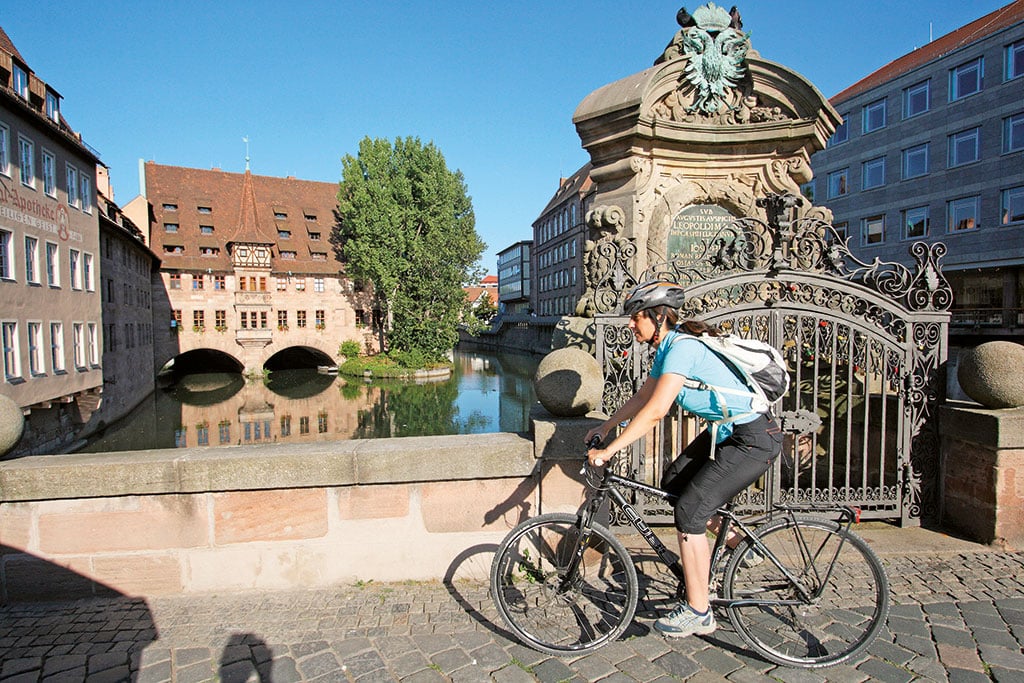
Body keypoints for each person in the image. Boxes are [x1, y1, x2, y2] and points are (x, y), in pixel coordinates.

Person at [585, 281, 783, 639]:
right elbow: (643, 397)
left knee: (690, 512)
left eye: (636, 317)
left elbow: (656, 411)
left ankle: (699, 611)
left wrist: (610, 450)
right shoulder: (668, 348)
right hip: (728, 433)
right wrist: (606, 426)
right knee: (674, 483)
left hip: (753, 439)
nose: (630, 324)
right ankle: (740, 545)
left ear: (659, 317)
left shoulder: (682, 348)